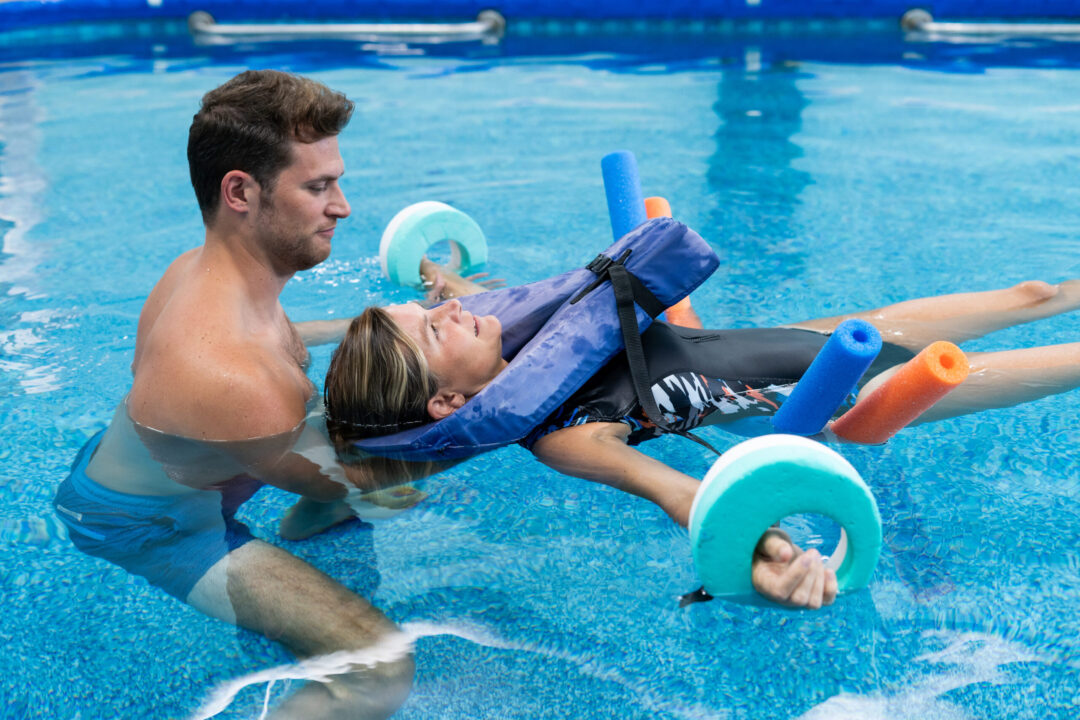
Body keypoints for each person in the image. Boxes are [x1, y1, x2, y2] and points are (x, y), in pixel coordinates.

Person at [322, 273, 1080, 609]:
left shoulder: (517, 325)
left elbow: (471, 294)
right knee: (1062, 366)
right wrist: (767, 555)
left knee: (1033, 297)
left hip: (809, 337)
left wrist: (446, 276)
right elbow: (682, 494)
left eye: (429, 307)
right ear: (451, 401)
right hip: (840, 395)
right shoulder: (562, 438)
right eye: (432, 328)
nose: (451, 311)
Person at [52, 70, 441, 718]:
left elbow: (280, 336)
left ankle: (302, 532)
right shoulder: (232, 374)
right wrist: (499, 402)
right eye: (318, 187)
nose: (342, 205)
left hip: (143, 463)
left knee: (338, 423)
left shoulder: (201, 272)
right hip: (155, 527)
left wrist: (397, 320)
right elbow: (347, 477)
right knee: (376, 667)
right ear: (241, 191)